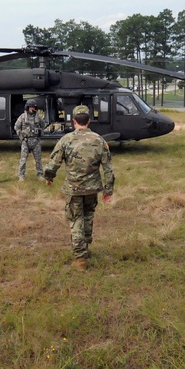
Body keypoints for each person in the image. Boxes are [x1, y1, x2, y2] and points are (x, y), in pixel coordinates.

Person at [44, 105, 114, 270]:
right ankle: (86, 247)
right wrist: (108, 190)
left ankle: (80, 257)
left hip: (73, 189)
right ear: (89, 121)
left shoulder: (66, 140)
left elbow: (54, 163)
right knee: (88, 216)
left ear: (74, 121)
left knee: (76, 219)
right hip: (92, 188)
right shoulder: (99, 140)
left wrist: (49, 177)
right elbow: (108, 169)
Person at [14, 98, 48, 180]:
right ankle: (21, 176)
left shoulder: (38, 117)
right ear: (27, 107)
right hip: (26, 141)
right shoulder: (22, 117)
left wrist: (41, 132)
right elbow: (16, 127)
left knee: (38, 160)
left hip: (36, 141)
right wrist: (21, 136)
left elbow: (44, 125)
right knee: (23, 160)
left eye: (34, 107)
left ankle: (40, 175)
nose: (32, 108)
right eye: (31, 107)